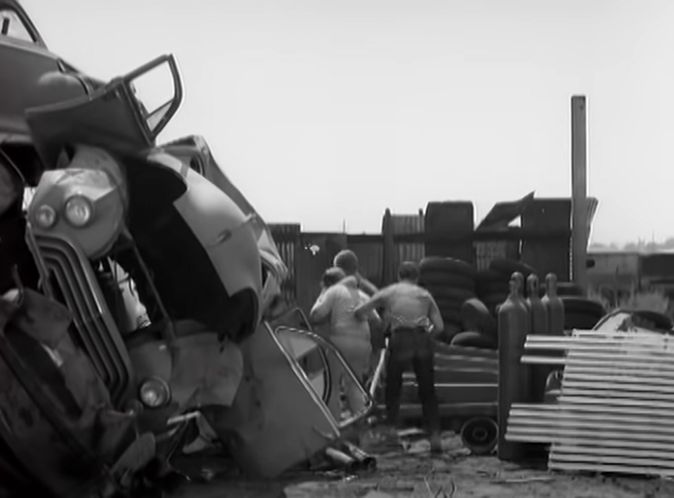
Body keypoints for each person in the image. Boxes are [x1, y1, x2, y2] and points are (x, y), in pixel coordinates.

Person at [355, 261, 444, 454]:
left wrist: (378, 320)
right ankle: (435, 438)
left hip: (400, 338)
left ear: (398, 275)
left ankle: (391, 434)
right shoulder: (424, 294)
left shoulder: (390, 292)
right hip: (421, 338)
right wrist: (427, 337)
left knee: (393, 388)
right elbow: (440, 327)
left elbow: (361, 311)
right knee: (428, 391)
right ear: (417, 277)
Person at [309, 266, 381, 418]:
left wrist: (323, 296)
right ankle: (360, 425)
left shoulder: (333, 291)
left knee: (332, 385)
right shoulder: (361, 295)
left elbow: (315, 315)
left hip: (340, 341)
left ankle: (333, 426)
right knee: (355, 385)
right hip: (362, 343)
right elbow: (376, 321)